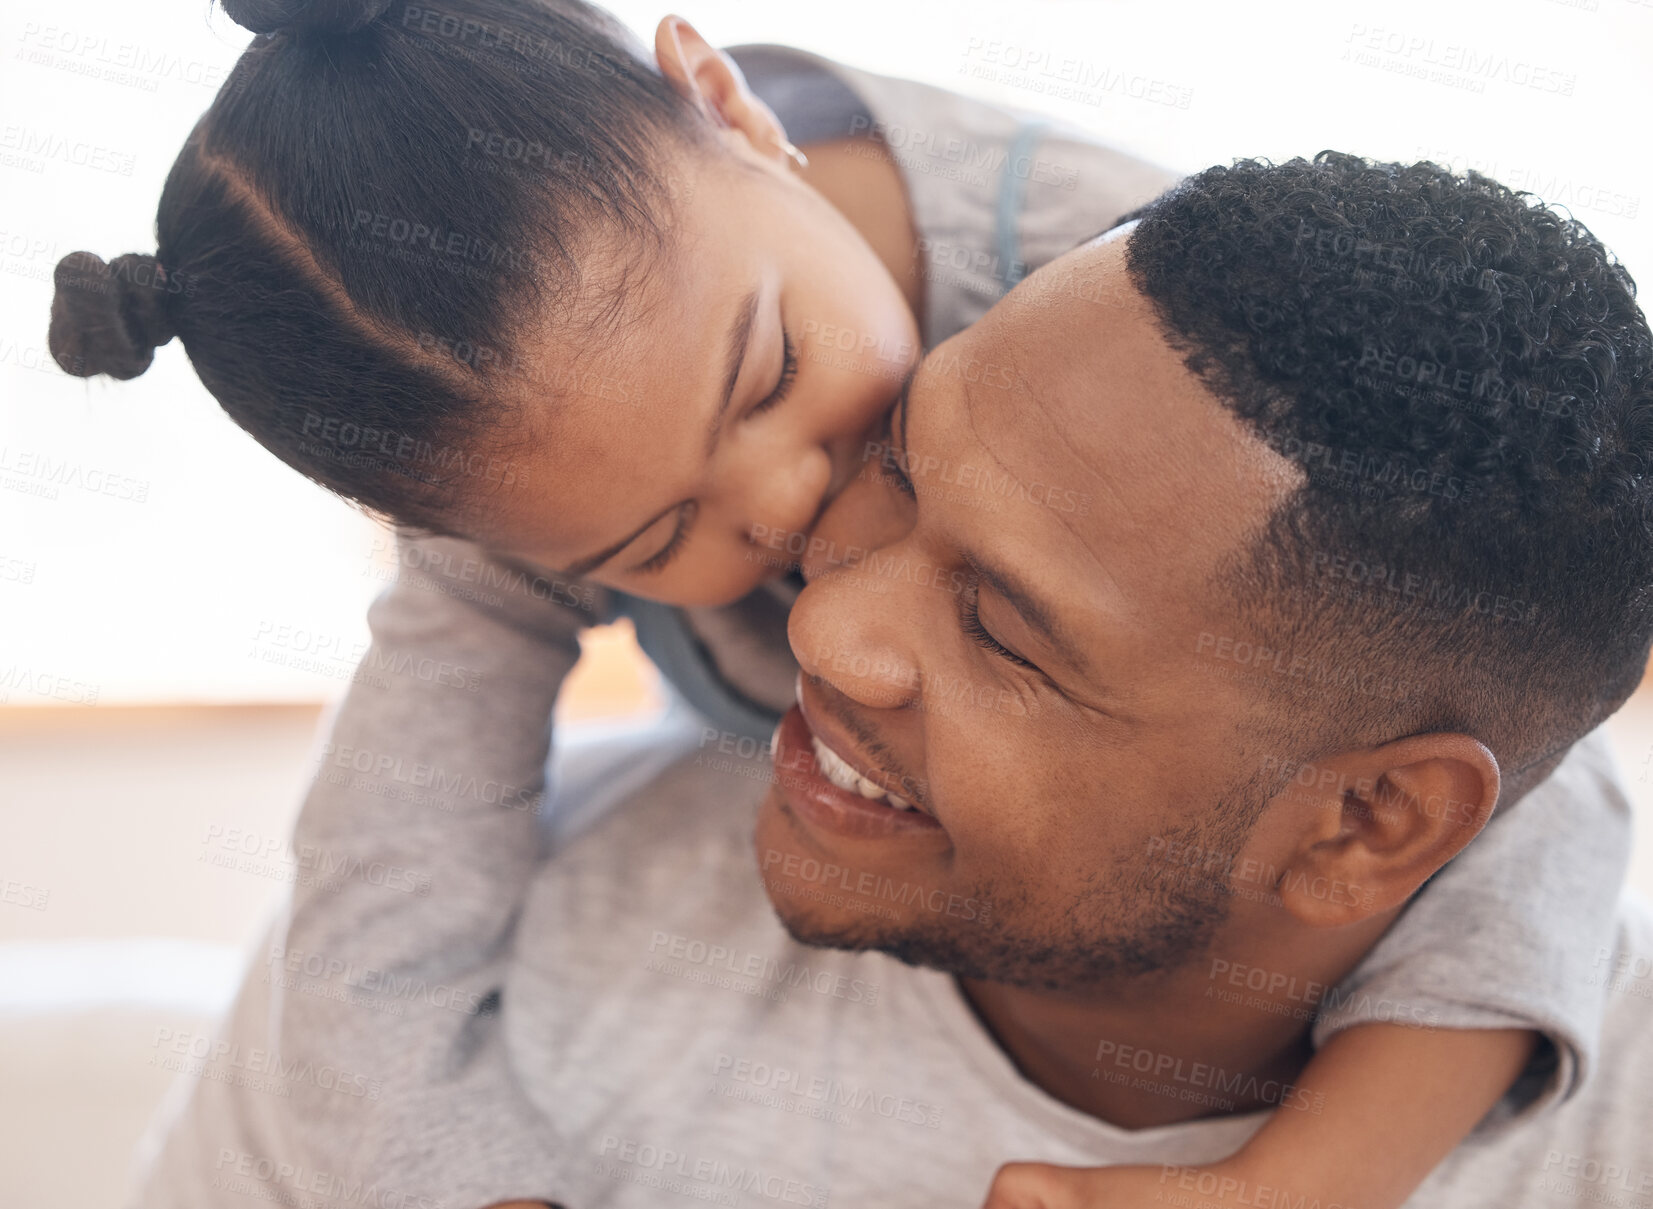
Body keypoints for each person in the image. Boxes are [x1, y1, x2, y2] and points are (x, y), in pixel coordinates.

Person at [46, 2, 1634, 1205]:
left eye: (785, 382)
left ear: (725, 106)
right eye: (666, 530)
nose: (804, 551)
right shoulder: (522, 470)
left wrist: (1305, 1180)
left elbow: (1516, 687)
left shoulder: (1134, 295)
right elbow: (379, 895)